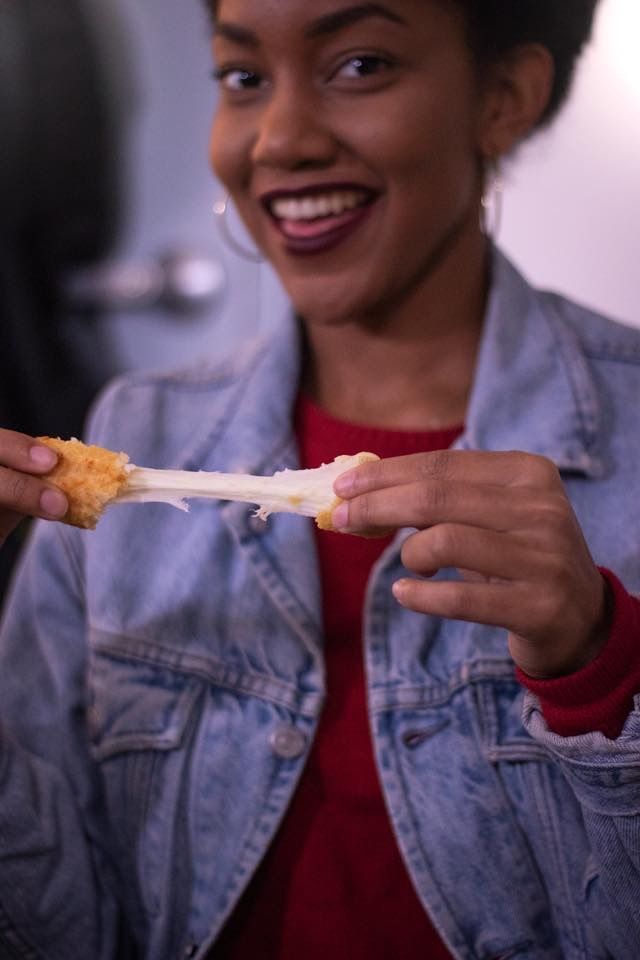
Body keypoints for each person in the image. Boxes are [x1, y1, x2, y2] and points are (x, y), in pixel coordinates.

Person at [0, 0, 639, 957]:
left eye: (361, 64)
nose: (282, 138)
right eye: (244, 77)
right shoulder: (134, 422)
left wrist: (601, 671)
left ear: (503, 96)